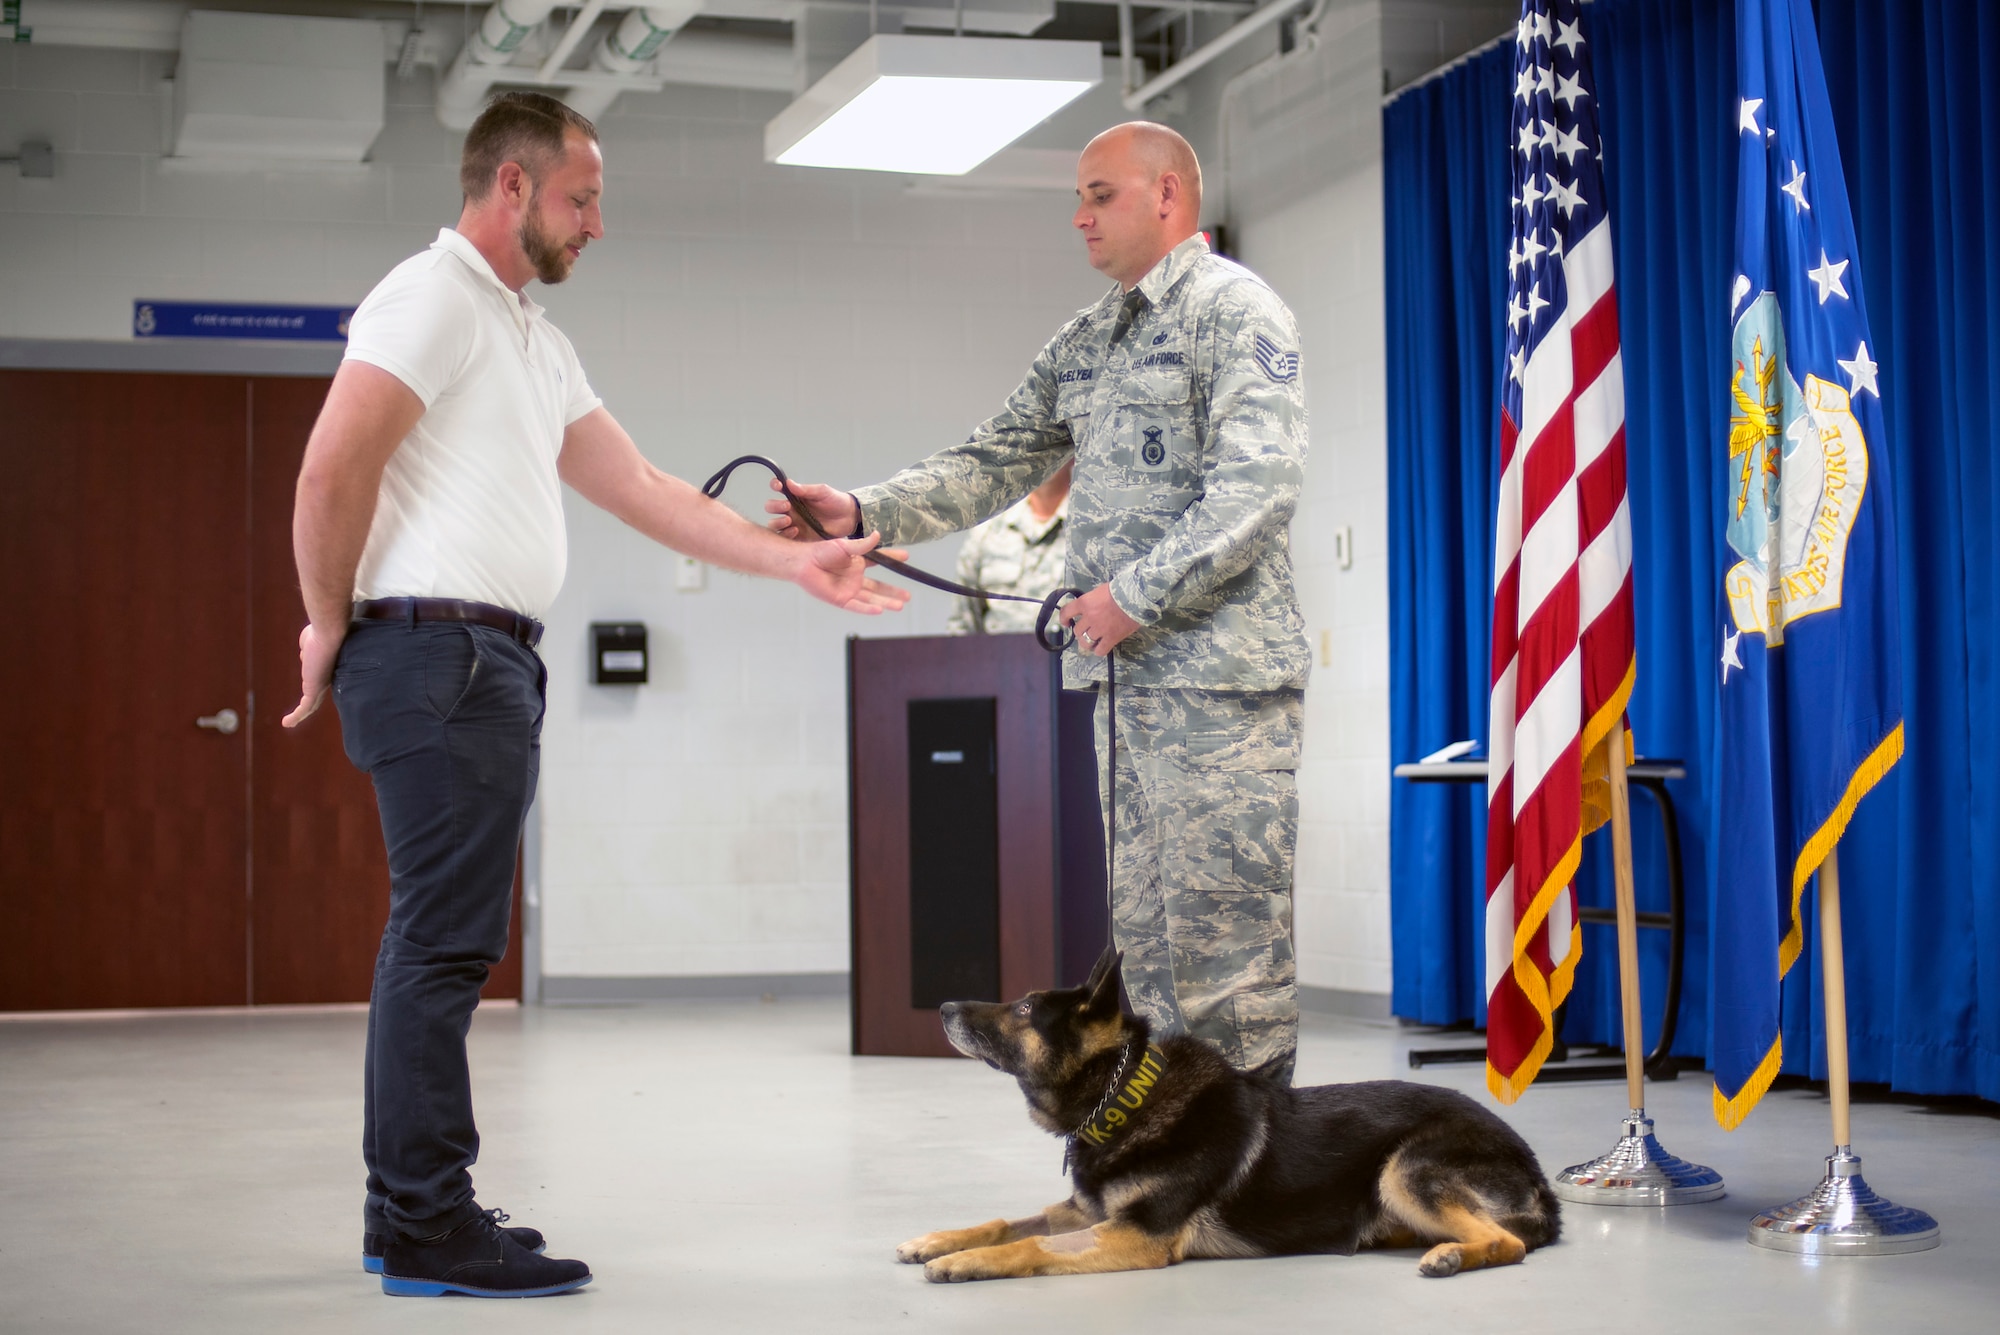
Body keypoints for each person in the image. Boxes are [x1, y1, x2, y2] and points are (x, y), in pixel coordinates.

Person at [282, 92, 905, 1299]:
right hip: (437, 656)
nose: (597, 224)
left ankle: (404, 1208)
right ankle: (423, 1219)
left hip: (483, 660)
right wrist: (326, 621)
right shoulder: (432, 298)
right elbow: (330, 467)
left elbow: (641, 485)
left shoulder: (524, 334)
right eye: (584, 197)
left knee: (444, 939)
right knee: (443, 944)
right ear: (511, 188)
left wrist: (794, 560)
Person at [770, 122, 1310, 1085]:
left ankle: (1255, 1178)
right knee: (1145, 951)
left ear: (1168, 196)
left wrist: (1131, 599)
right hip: (1127, 692)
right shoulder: (1091, 338)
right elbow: (991, 459)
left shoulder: (1237, 311)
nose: (1080, 215)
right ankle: (1175, 1172)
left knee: (1226, 949)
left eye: (1101, 194)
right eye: (1079, 196)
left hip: (1219, 692)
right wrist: (859, 509)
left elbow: (1257, 489)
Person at [945, 458, 1073, 634]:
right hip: (999, 658)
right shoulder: (987, 531)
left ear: (1073, 454)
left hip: (1066, 657)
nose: (1048, 456)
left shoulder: (1091, 530)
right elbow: (962, 626)